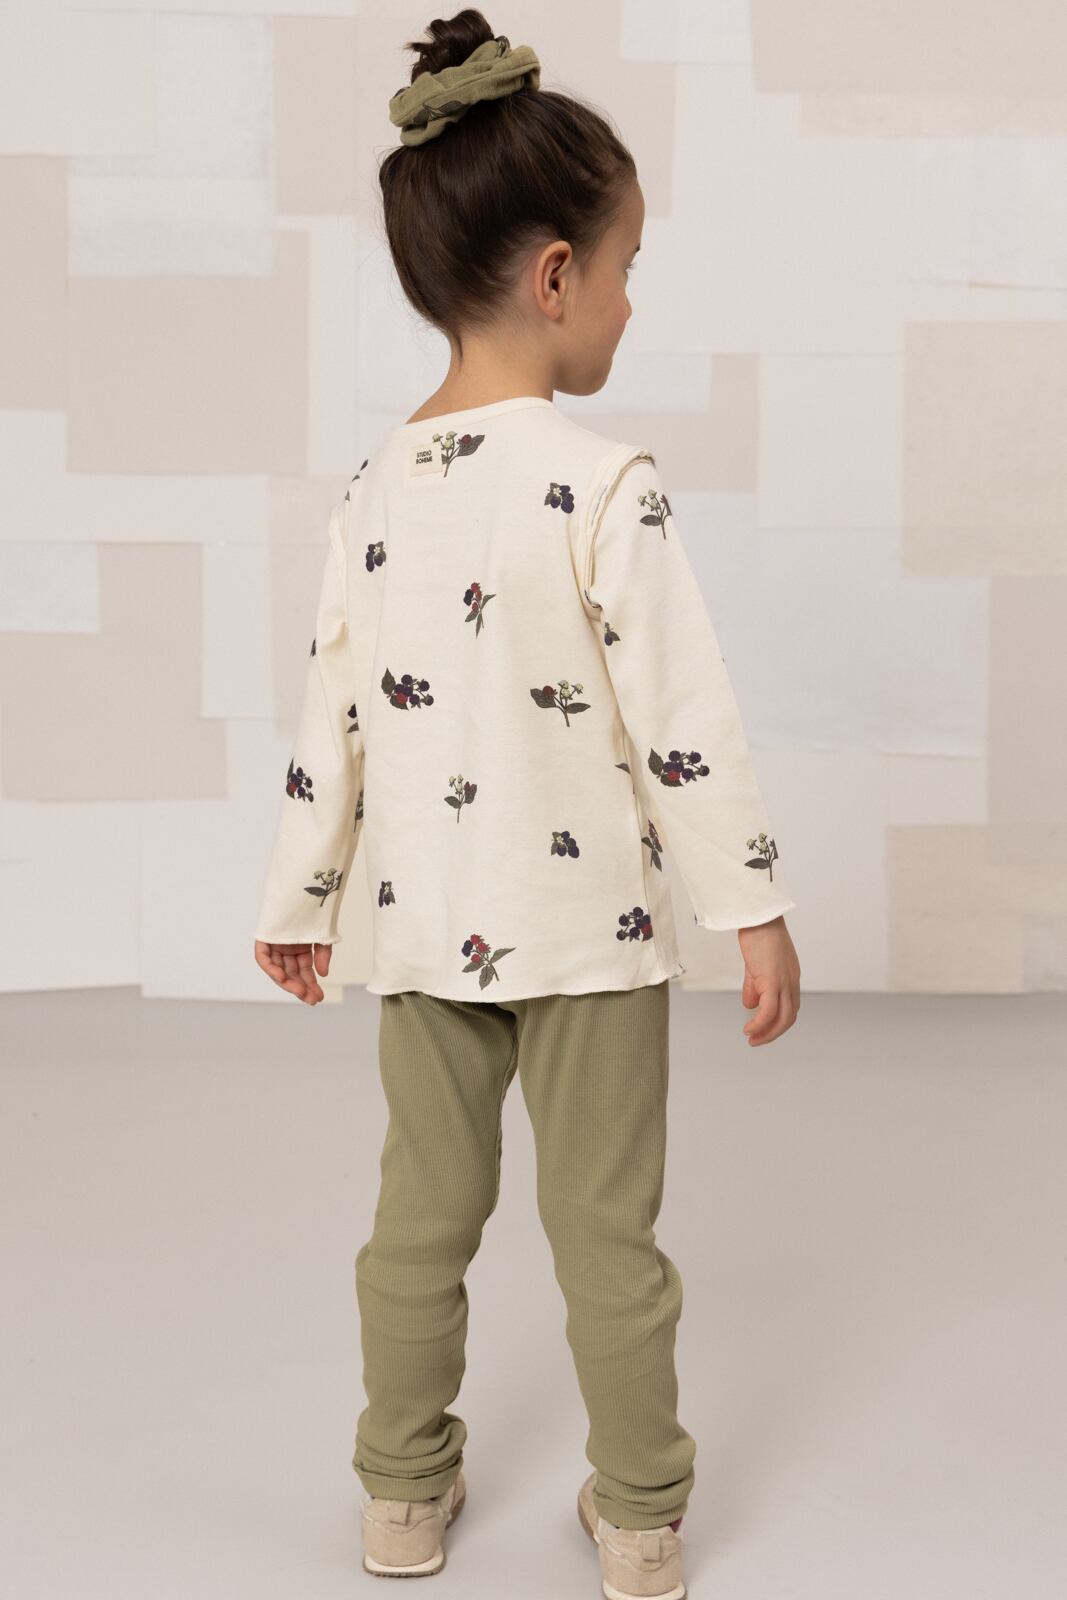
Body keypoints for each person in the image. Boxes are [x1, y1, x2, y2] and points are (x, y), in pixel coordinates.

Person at [253, 11, 801, 1597]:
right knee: (607, 1237)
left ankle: (398, 1497)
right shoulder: (605, 485)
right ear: (556, 277)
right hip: (593, 939)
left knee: (416, 1226)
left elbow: (333, 721)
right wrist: (752, 906)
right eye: (627, 269)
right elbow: (682, 717)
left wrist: (300, 899)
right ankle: (640, 1519)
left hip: (426, 931)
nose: (631, 300)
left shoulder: (369, 493)